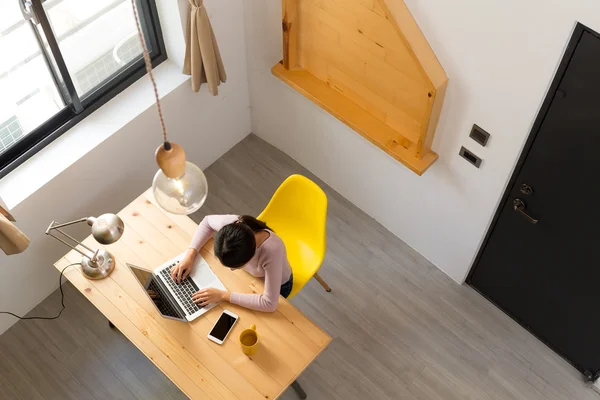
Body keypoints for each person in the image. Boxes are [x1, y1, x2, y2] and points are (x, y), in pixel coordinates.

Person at [170, 215, 293, 312]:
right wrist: (190, 255)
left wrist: (223, 296)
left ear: (252, 254)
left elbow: (270, 304)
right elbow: (207, 222)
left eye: (236, 267)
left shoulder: (272, 251)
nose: (231, 270)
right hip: (250, 280)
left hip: (280, 286)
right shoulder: (233, 226)